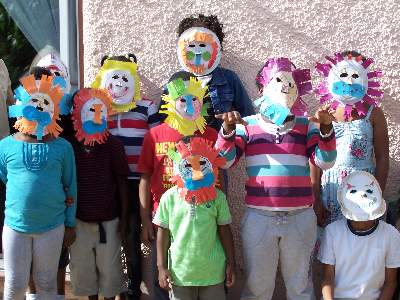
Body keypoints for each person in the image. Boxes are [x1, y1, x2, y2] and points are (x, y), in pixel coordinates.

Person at [215, 57, 337, 300]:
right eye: (278, 80)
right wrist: (227, 131)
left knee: (300, 288)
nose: (285, 87)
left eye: (290, 82)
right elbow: (224, 161)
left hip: (300, 217)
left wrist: (325, 130)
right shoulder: (247, 125)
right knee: (257, 289)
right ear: (262, 89)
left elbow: (325, 161)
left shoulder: (307, 125)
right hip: (259, 218)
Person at [137, 72, 218, 300]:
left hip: (201, 220)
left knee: (201, 271)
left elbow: (221, 179)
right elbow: (144, 179)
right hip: (162, 220)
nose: (189, 104)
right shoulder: (154, 136)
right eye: (182, 98)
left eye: (194, 98)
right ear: (169, 100)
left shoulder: (210, 135)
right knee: (161, 277)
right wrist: (145, 221)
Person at [0, 71, 77, 300]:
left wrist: (70, 223)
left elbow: (70, 186)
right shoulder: (5, 146)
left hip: (52, 227)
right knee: (14, 284)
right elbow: (7, 178)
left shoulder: (63, 148)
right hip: (15, 227)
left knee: (46, 284)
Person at [92, 53, 160, 299]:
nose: (119, 81)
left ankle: (133, 288)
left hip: (136, 183)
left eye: (124, 75)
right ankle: (108, 287)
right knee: (108, 237)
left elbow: (156, 143)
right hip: (107, 184)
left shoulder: (147, 106)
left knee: (131, 236)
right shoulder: (98, 107)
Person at [312, 50, 389, 226]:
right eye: (343, 74)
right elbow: (314, 159)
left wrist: (377, 194)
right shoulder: (324, 113)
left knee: (361, 243)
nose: (349, 81)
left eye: (355, 75)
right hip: (330, 189)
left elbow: (383, 157)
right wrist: (315, 197)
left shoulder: (374, 113)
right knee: (331, 243)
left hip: (364, 190)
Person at [154, 137, 235, 300]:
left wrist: (231, 263)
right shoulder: (169, 198)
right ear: (178, 164)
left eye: (200, 162)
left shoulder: (217, 197)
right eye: (189, 163)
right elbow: (162, 233)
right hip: (180, 275)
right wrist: (161, 267)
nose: (195, 168)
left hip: (213, 274)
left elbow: (225, 230)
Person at [68, 88, 130, 300]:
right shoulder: (69, 146)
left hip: (108, 222)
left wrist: (122, 218)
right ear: (76, 113)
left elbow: (121, 181)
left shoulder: (113, 145)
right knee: (84, 272)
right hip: (79, 221)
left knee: (110, 272)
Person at [26, 53, 74, 300]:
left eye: (56, 76)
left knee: (58, 258)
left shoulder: (69, 114)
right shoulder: (25, 113)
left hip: (59, 194)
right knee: (32, 259)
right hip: (31, 197)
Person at [160, 14, 254, 131]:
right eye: (192, 46)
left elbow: (248, 115)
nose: (198, 51)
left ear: (217, 47)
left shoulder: (229, 78)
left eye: (203, 45)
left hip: (221, 144)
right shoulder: (177, 80)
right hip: (186, 145)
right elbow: (164, 118)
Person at [319, 171, 400, 300]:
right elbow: (328, 279)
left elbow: (390, 283)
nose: (362, 221)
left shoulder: (391, 235)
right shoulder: (332, 232)